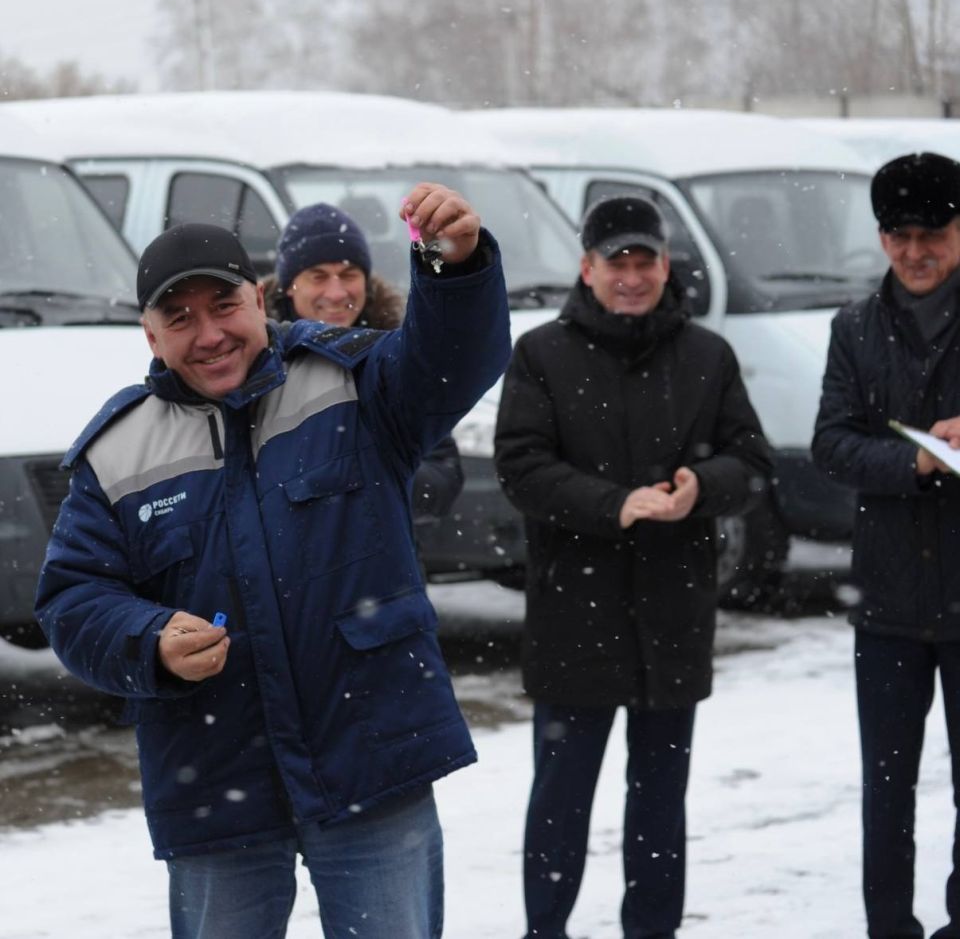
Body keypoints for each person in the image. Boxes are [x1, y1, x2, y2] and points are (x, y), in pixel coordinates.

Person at [35, 183, 511, 939]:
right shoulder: (118, 451)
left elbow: (454, 357)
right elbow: (70, 600)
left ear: (259, 301)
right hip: (215, 782)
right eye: (178, 317)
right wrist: (149, 638)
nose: (209, 333)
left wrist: (455, 267)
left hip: (373, 761)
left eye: (222, 305)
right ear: (150, 336)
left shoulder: (355, 384)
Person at [494, 195, 772, 939]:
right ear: (586, 268)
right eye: (615, 260)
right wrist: (612, 504)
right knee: (561, 797)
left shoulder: (707, 356)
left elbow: (752, 463)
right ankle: (543, 928)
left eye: (644, 259)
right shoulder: (541, 355)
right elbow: (520, 468)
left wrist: (699, 490)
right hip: (571, 617)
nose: (631, 275)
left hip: (672, 615)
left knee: (658, 802)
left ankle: (653, 930)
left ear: (664, 264)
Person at [813, 151, 960, 939]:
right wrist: (911, 458)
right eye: (899, 235)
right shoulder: (855, 327)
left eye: (932, 232)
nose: (915, 251)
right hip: (889, 598)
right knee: (887, 785)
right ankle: (888, 926)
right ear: (880, 238)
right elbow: (831, 443)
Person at [264, 201, 463, 526]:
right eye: (318, 276)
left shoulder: (395, 353)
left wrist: (375, 478)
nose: (337, 292)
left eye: (348, 274)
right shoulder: (260, 360)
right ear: (289, 284)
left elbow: (444, 475)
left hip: (388, 565)